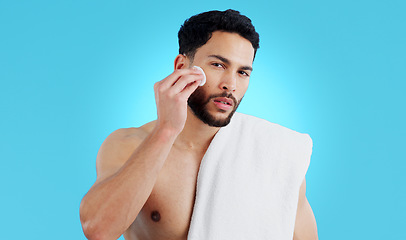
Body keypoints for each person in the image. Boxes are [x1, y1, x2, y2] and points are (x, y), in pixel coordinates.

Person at [79, 9, 318, 240]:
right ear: (182, 66)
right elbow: (99, 230)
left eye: (243, 72)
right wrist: (166, 130)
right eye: (218, 65)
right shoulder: (129, 145)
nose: (230, 84)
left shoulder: (278, 154)